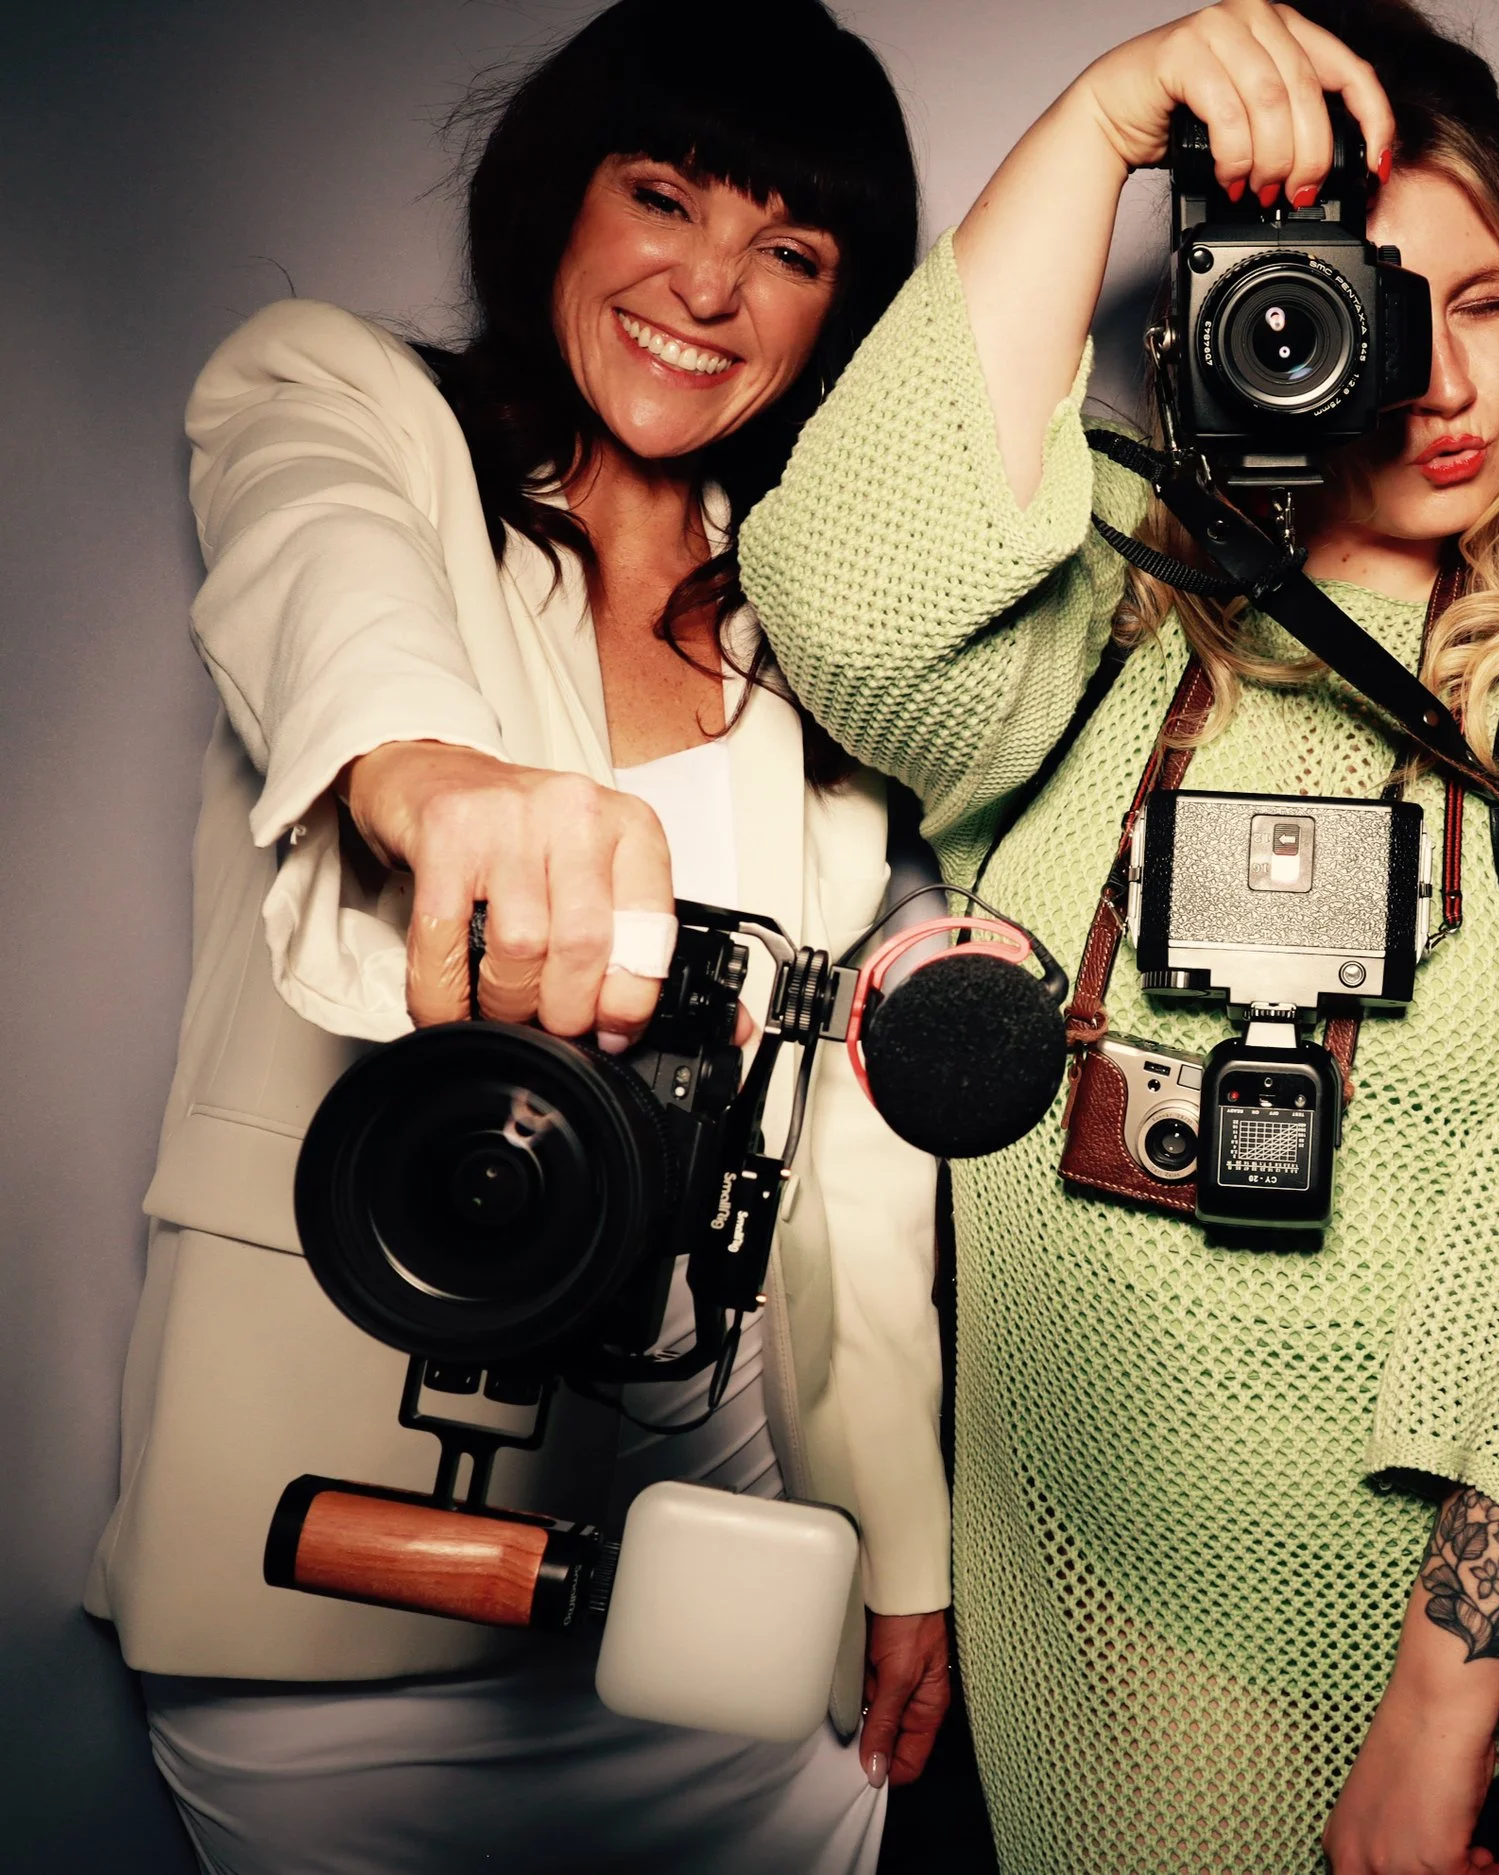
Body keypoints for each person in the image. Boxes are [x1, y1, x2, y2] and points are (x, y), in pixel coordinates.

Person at [736, 4, 1499, 1869]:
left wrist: (1438, 1716)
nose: (1446, 379)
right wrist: (1103, 120)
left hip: (1467, 1637)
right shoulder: (1120, 594)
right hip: (1093, 1611)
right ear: (1248, 316)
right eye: (1375, 312)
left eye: (1485, 301)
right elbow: (847, 601)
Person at [83, 5, 951, 1870]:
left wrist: (899, 1547)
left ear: (833, 324)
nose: (707, 288)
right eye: (664, 197)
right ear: (560, 196)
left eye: (790, 253)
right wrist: (433, 780)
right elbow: (324, 560)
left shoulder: (812, 650)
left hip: (723, 1589)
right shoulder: (346, 403)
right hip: (329, 1580)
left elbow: (837, 1180)